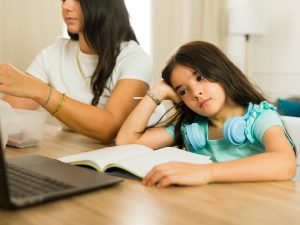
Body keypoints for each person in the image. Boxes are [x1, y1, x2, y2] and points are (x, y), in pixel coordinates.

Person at [116, 40, 297, 188]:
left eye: (200, 78)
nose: (195, 92)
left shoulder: (259, 118)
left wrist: (205, 172)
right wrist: (157, 91)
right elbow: (126, 141)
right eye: (183, 91)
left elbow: (285, 164)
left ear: (222, 71)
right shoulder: (192, 129)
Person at [0, 0, 152, 143]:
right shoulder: (53, 54)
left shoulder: (134, 58)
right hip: (76, 152)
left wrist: (40, 91)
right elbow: (8, 115)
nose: (66, 6)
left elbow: (109, 128)